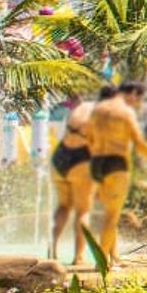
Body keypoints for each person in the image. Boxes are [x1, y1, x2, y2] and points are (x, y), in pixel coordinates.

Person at [86, 81, 147, 262]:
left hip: (97, 163)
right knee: (112, 216)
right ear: (132, 94)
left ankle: (114, 256)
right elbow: (138, 142)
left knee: (108, 212)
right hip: (116, 164)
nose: (137, 103)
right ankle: (102, 261)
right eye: (138, 98)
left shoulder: (98, 109)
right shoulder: (125, 112)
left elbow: (88, 138)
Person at [48, 88, 111, 264]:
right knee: (83, 211)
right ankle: (78, 257)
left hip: (60, 157)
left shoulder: (82, 108)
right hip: (80, 161)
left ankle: (51, 251)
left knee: (63, 206)